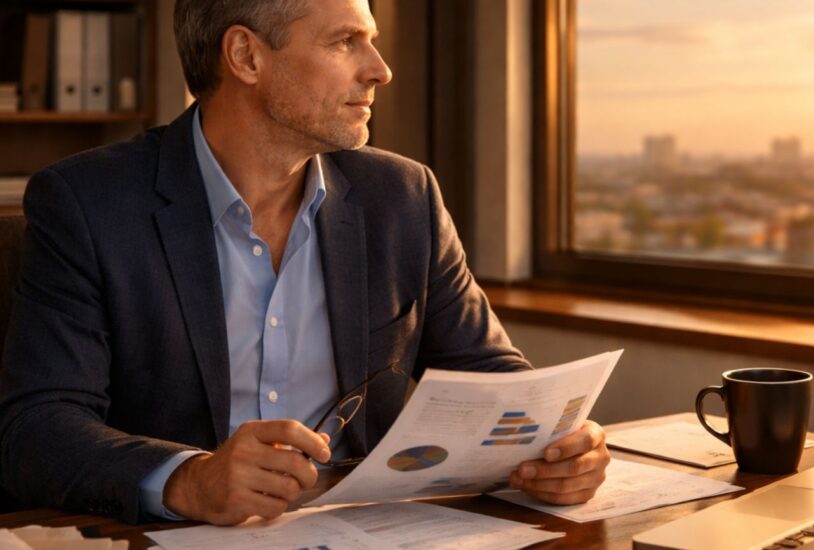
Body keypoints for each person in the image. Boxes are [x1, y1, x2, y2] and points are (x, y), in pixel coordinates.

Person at [0, 0, 609, 525]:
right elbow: (36, 427)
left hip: (369, 529)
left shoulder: (401, 197)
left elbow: (490, 374)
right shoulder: (88, 203)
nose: (381, 70)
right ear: (246, 57)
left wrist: (555, 446)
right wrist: (191, 480)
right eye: (346, 41)